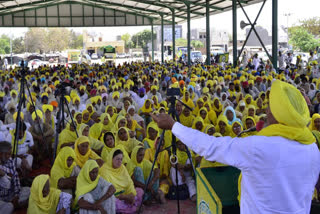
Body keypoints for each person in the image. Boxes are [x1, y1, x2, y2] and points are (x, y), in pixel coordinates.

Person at [151, 80, 320, 214]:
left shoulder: (259, 147)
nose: (266, 110)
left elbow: (211, 146)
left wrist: (174, 126)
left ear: (277, 113)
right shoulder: (312, 147)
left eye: (270, 106)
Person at [100, 148, 144, 213]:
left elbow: (129, 183)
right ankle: (132, 208)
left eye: (121, 159)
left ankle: (130, 207)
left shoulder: (122, 168)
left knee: (140, 191)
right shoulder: (104, 170)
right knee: (113, 202)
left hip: (126, 194)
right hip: (115, 197)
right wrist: (124, 197)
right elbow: (107, 191)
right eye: (117, 159)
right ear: (111, 159)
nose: (120, 161)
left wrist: (131, 194)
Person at [0, 141, 30, 213]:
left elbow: (15, 178)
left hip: (11, 193)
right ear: (0, 154)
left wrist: (16, 195)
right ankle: (14, 206)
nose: (10, 156)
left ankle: (15, 204)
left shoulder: (10, 161)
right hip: (1, 197)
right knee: (9, 207)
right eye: (8, 154)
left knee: (30, 190)